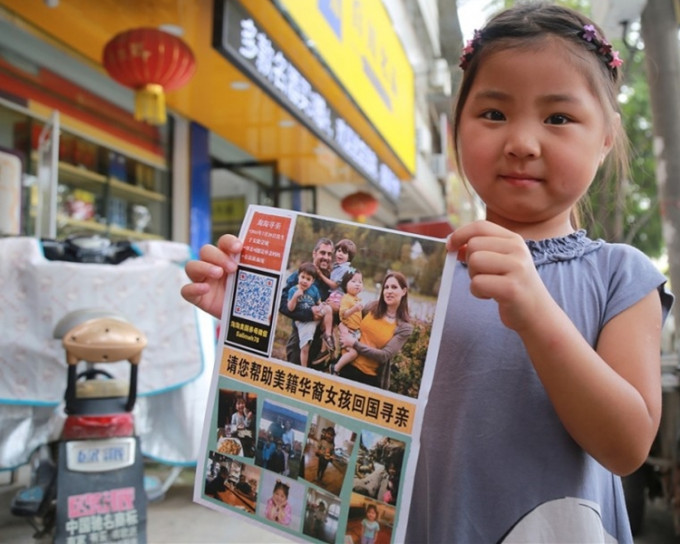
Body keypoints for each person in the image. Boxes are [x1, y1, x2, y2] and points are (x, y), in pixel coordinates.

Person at [181, 4, 674, 542]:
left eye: (558, 118)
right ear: (456, 127)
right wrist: (243, 312)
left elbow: (626, 448)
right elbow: (330, 395)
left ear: (606, 136)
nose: (522, 142)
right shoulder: (425, 271)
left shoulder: (620, 275)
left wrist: (534, 310)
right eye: (493, 114)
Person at [336, 271, 413, 389]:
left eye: (394, 287)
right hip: (345, 366)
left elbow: (384, 355)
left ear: (403, 291)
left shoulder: (404, 327)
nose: (389, 291)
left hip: (367, 379)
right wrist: (344, 330)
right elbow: (347, 320)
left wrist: (354, 344)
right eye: (386, 287)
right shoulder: (371, 307)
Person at [280, 238, 335, 365]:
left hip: (320, 341)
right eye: (322, 253)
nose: (326, 257)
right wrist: (308, 314)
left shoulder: (332, 280)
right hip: (300, 335)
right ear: (314, 253)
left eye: (329, 254)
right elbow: (282, 304)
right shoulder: (301, 275)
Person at [286, 261, 334, 367]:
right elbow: (290, 308)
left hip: (315, 318)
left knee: (328, 309)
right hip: (304, 322)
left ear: (312, 281)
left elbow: (319, 302)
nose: (304, 281)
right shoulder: (293, 290)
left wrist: (322, 305)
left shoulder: (314, 290)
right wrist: (295, 297)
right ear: (298, 276)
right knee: (305, 346)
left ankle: (327, 335)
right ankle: (304, 368)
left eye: (308, 279)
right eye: (303, 277)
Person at [330, 268, 364, 376]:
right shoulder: (346, 298)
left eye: (360, 282)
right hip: (348, 331)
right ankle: (335, 368)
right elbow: (343, 314)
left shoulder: (357, 299)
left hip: (355, 332)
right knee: (353, 353)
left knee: (354, 352)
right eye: (353, 281)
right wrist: (354, 309)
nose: (357, 284)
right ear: (345, 284)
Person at [321, 238, 357, 312]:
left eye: (344, 253)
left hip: (338, 297)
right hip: (332, 294)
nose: (340, 254)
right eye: (339, 251)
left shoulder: (345, 269)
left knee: (326, 310)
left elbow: (334, 285)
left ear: (349, 257)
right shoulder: (336, 265)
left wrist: (320, 274)